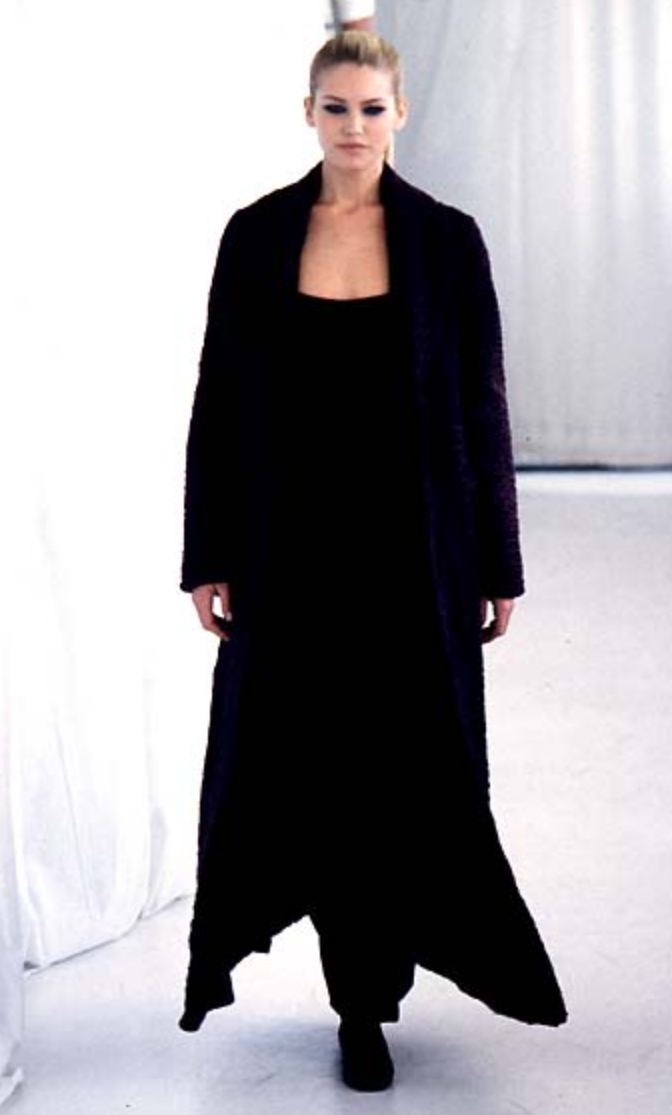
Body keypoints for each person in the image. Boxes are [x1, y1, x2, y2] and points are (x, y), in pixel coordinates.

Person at [178, 28, 568, 1093]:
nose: (354, 127)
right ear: (308, 113)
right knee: (302, 766)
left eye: (372, 108)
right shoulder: (257, 235)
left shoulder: (447, 240)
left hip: (415, 549)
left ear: (402, 114)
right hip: (290, 550)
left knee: (405, 769)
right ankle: (353, 998)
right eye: (336, 107)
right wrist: (208, 553)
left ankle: (372, 993)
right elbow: (220, 400)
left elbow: (483, 404)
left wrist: (498, 563)